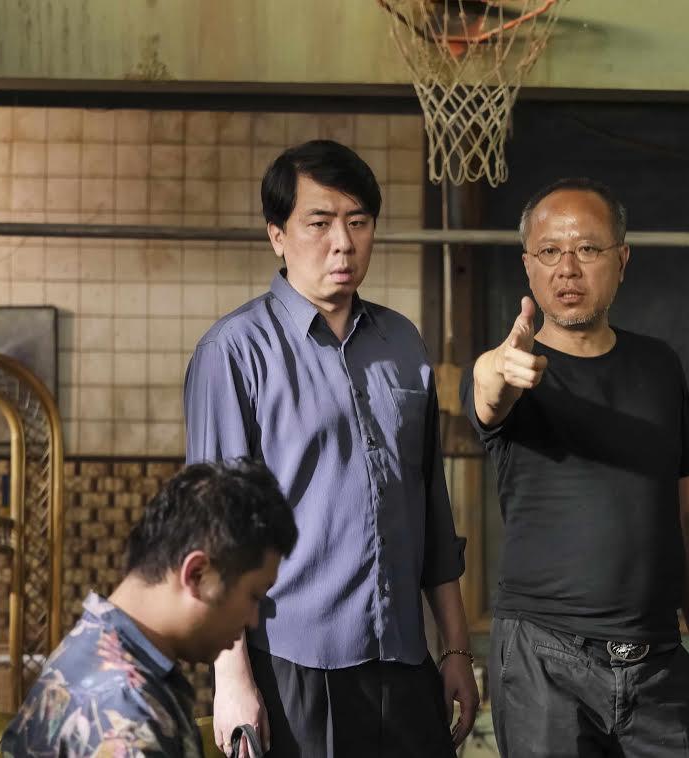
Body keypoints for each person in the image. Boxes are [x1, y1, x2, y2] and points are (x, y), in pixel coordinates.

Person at [184, 139, 478, 757]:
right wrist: (231, 681)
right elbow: (216, 534)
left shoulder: (402, 341)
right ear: (277, 236)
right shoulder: (234, 352)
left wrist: (455, 647)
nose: (342, 243)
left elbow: (431, 505)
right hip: (293, 663)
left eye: (358, 222)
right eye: (319, 223)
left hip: (404, 656)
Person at [461, 177, 689, 758]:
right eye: (549, 251)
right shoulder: (515, 366)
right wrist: (499, 370)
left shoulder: (659, 366)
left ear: (621, 260)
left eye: (586, 249)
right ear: (528, 265)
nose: (568, 269)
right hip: (543, 662)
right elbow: (488, 391)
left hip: (658, 662)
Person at [1, 458, 298, 758]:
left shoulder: (89, 648)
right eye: (253, 596)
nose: (253, 619)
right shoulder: (127, 719)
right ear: (196, 573)